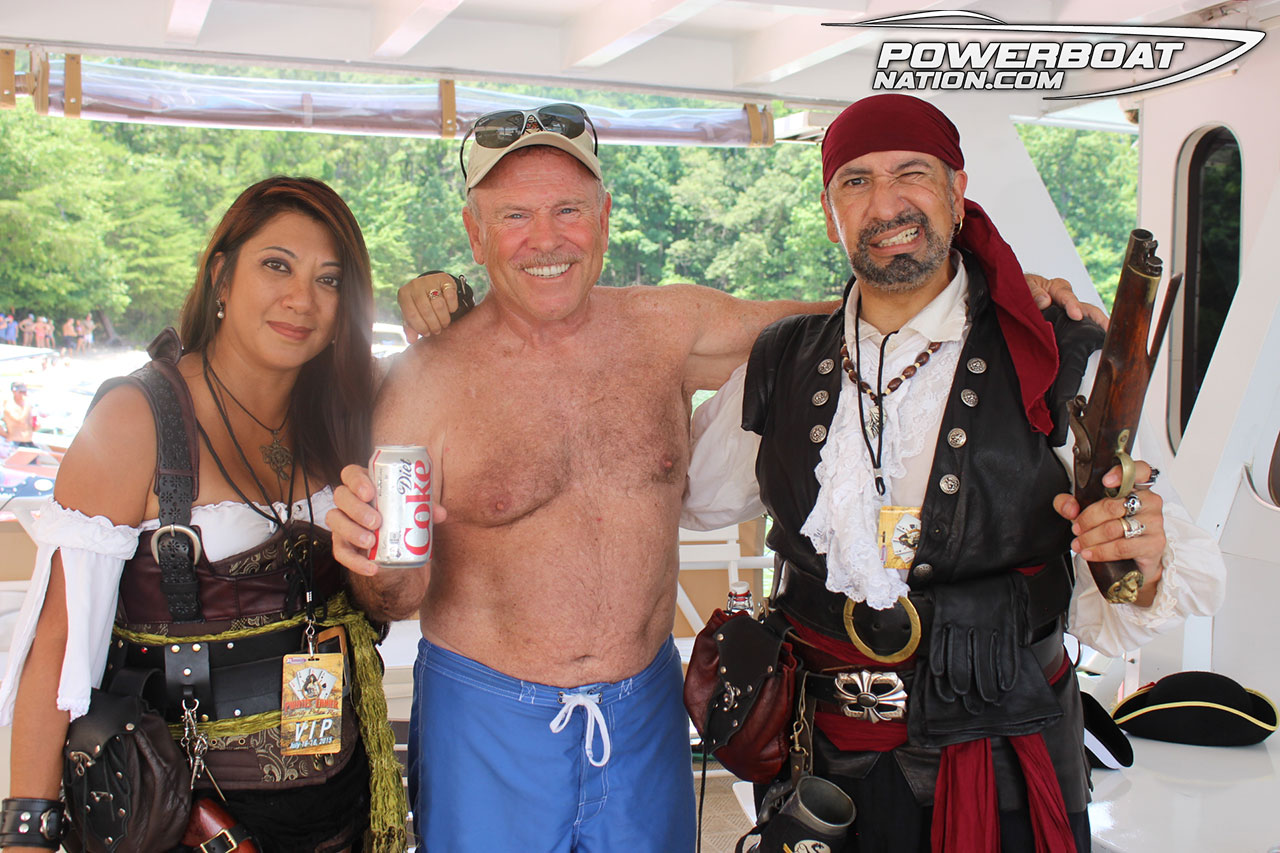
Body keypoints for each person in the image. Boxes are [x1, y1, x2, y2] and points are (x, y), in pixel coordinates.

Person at [325, 102, 1094, 852]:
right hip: (488, 719)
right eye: (514, 216)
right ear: (474, 231)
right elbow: (394, 597)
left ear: (605, 216)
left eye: (568, 210)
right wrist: (373, 563)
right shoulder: (425, 379)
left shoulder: (668, 328)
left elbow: (868, 313)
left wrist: (1000, 296)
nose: (546, 239)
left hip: (643, 713)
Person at [681, 94, 1227, 852]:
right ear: (830, 211)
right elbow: (691, 494)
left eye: (912, 173)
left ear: (957, 192)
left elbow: (1153, 570)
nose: (886, 204)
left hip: (1000, 756)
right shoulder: (782, 360)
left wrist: (1141, 554)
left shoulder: (1058, 350)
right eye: (856, 181)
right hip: (817, 763)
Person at [0, 176, 411, 853]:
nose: (302, 299)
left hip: (340, 796)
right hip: (188, 818)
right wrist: (27, 834)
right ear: (221, 274)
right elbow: (60, 642)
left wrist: (445, 302)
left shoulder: (347, 410)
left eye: (329, 279)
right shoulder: (136, 420)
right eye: (276, 265)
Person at [1, 381, 37, 447]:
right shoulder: (9, 406)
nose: (24, 394)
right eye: (21, 392)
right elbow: (20, 421)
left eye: (25, 392)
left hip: (28, 441)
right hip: (15, 443)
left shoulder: (25, 407)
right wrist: (27, 405)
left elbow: (32, 426)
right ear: (14, 392)